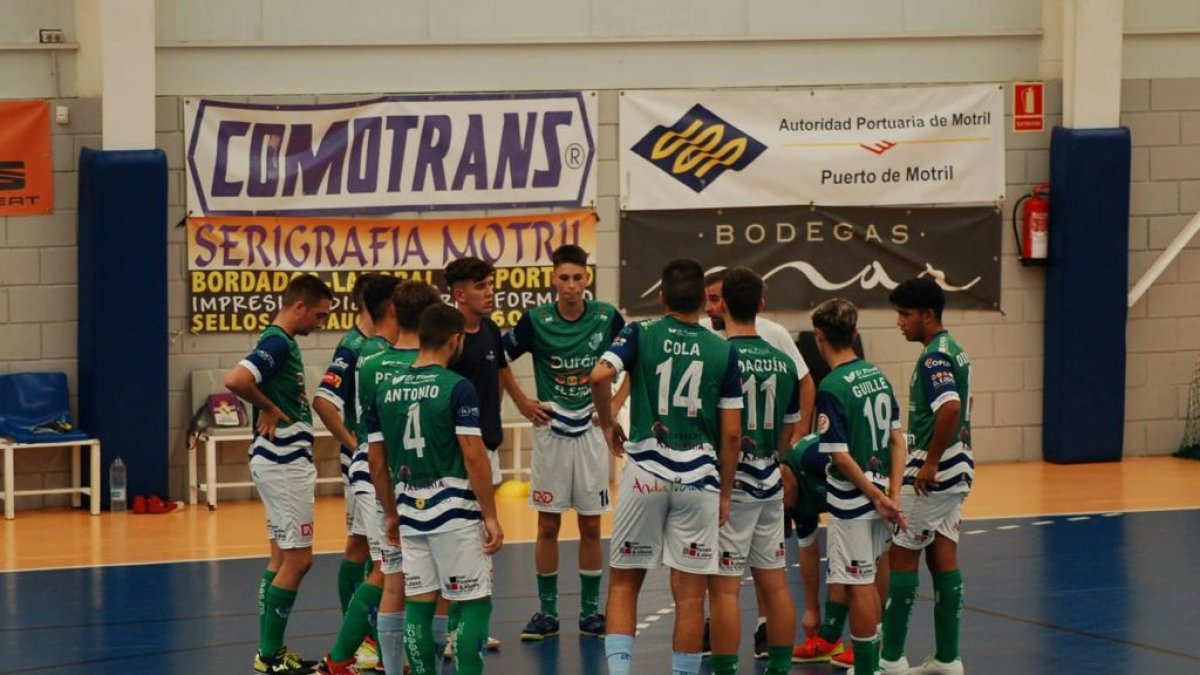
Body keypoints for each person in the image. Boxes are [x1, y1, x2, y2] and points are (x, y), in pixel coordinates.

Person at [589, 258, 743, 675]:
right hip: (699, 481)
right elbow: (732, 435)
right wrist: (725, 491)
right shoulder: (723, 350)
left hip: (647, 476)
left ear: (661, 297)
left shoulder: (641, 332)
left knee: (624, 583)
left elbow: (599, 377)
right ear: (705, 301)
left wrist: (607, 425)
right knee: (691, 597)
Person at [366, 303, 504, 675]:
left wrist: (392, 513)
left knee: (419, 604)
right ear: (454, 339)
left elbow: (376, 462)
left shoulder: (384, 390)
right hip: (455, 512)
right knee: (474, 602)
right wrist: (490, 515)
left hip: (410, 510)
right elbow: (474, 455)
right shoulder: (458, 388)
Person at [500, 244, 626, 641]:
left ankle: (591, 614)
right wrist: (521, 401)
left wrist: (614, 409)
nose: (571, 286)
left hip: (591, 430)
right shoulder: (536, 320)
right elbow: (498, 357)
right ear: (553, 279)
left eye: (578, 277)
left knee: (591, 526)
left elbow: (637, 359)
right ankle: (548, 612)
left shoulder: (608, 317)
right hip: (551, 429)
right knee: (548, 525)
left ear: (587, 279)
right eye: (564, 278)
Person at [699, 267, 816, 658]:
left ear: (725, 304)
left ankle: (725, 667)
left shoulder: (718, 355)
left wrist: (725, 486)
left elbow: (723, 430)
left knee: (725, 587)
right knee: (776, 584)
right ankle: (779, 666)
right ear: (759, 305)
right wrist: (778, 457)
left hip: (730, 485)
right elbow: (786, 428)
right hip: (769, 480)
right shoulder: (781, 362)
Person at [223, 273, 332, 675]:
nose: (319, 324)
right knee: (299, 561)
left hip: (279, 461)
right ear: (299, 306)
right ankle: (269, 656)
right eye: (318, 316)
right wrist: (267, 407)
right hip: (283, 462)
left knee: (280, 557)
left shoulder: (281, 342)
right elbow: (236, 380)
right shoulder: (277, 342)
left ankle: (270, 651)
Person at [314, 275, 410, 675]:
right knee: (378, 561)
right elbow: (323, 400)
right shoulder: (358, 347)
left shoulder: (382, 347)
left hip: (373, 467)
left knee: (365, 552)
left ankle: (362, 640)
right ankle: (359, 643)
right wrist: (356, 445)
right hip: (371, 468)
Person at [810, 297, 907, 675]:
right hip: (882, 492)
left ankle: (869, 668)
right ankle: (875, 663)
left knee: (857, 584)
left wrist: (876, 496)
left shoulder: (831, 386)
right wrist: (893, 493)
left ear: (819, 337)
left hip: (855, 499)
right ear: (855, 333)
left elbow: (841, 457)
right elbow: (898, 439)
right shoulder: (877, 375)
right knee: (869, 572)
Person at [881, 278, 973, 675]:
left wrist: (930, 462)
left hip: (933, 474)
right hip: (960, 470)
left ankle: (890, 660)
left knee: (901, 557)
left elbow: (949, 407)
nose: (899, 322)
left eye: (905, 315)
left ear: (927, 315)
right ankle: (948, 659)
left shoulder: (934, 358)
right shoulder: (955, 349)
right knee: (943, 557)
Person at [443, 256, 508, 654]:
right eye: (481, 287)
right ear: (459, 294)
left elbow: (498, 379)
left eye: (491, 285)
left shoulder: (492, 330)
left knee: (484, 537)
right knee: (456, 541)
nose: (489, 293)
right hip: (456, 454)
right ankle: (452, 630)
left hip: (487, 447)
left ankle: (473, 625)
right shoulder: (450, 338)